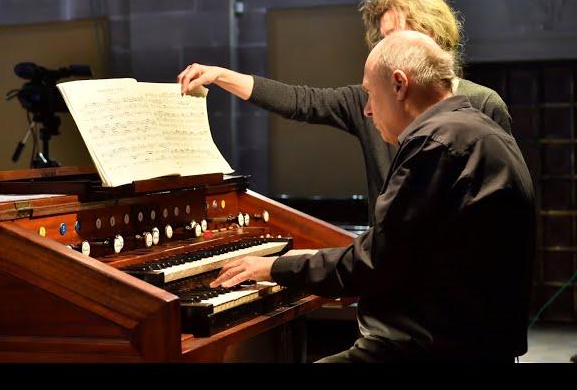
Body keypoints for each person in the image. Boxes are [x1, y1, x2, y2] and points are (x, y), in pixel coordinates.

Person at [209, 30, 536, 362]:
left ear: (398, 84)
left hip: (431, 348)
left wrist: (275, 267)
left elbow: (372, 263)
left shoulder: (436, 144)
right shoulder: (477, 128)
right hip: (471, 340)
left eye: (369, 93)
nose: (366, 109)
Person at [177, 0, 512, 225]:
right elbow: (301, 101)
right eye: (381, 38)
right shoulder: (369, 101)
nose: (384, 46)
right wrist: (221, 75)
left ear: (431, 35)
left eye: (394, 34)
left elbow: (500, 209)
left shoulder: (483, 104)